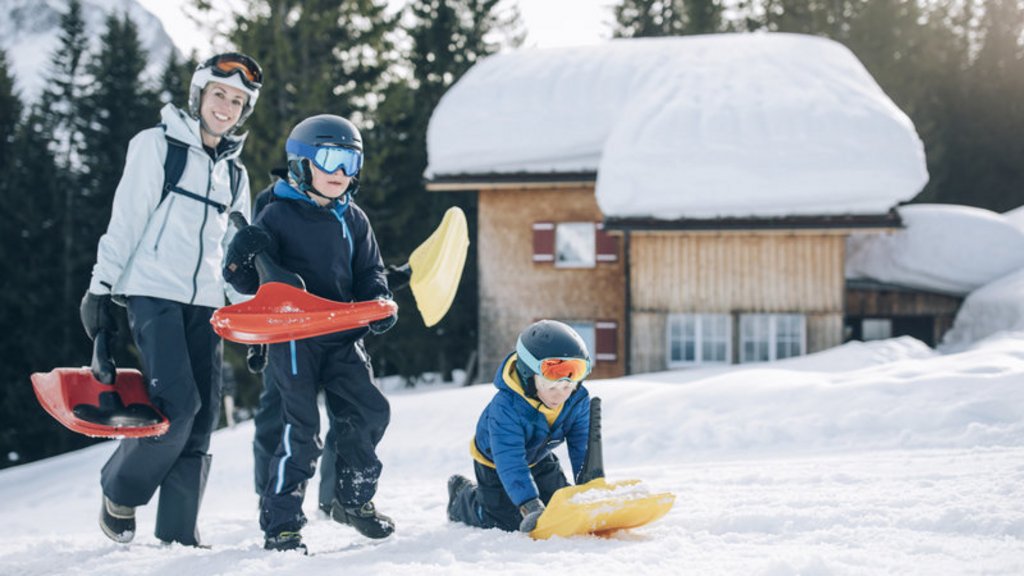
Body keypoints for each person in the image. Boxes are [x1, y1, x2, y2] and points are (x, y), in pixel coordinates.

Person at [79, 52, 263, 546]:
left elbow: (234, 260)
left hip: (208, 304)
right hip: (152, 293)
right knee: (178, 405)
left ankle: (179, 533)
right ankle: (120, 489)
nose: (226, 106)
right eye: (219, 94)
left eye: (237, 100)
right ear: (199, 95)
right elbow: (127, 221)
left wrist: (248, 319)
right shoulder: (156, 147)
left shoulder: (237, 176)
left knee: (202, 419)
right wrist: (101, 288)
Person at [223, 114, 397, 553]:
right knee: (300, 431)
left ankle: (353, 499)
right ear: (301, 164)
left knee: (370, 411)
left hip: (341, 335)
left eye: (350, 161)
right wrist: (241, 257)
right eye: (328, 159)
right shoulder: (276, 215)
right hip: (294, 338)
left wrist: (377, 303)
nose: (340, 173)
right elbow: (251, 284)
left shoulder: (353, 219)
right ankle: (282, 522)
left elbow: (369, 272)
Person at [446, 320, 593, 533]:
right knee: (507, 521)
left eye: (568, 385)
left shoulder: (577, 400)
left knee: (561, 507)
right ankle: (462, 497)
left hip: (539, 457)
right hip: (496, 463)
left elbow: (582, 448)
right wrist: (529, 504)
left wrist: (589, 488)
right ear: (528, 374)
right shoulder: (506, 408)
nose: (561, 394)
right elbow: (510, 460)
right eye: (551, 385)